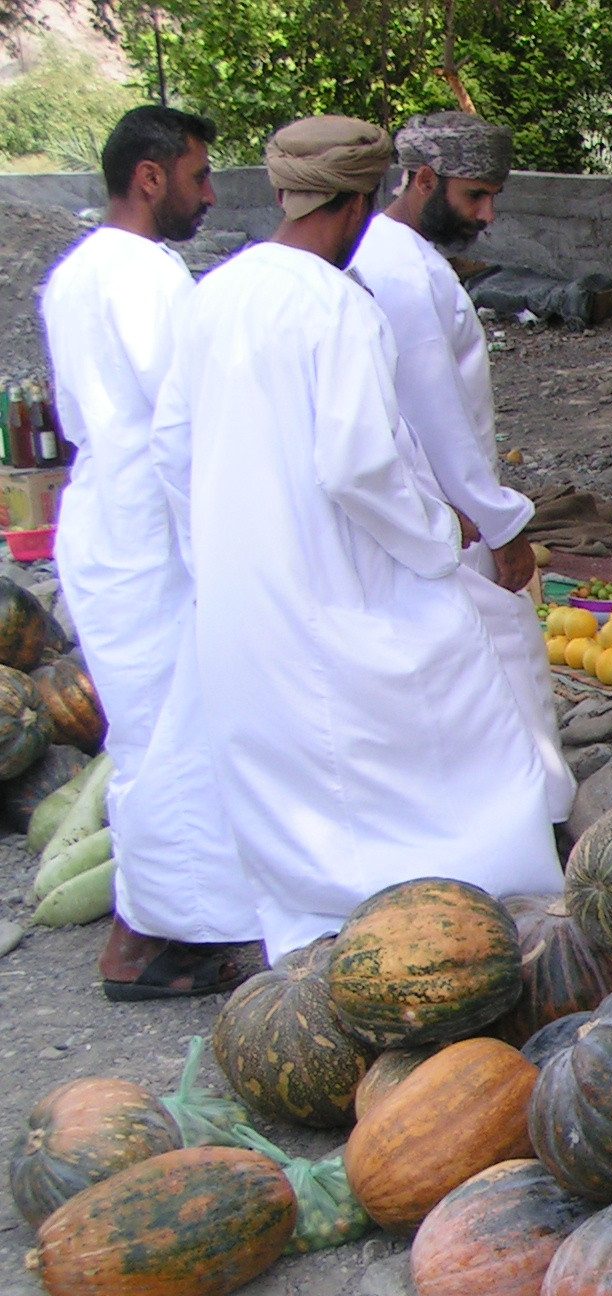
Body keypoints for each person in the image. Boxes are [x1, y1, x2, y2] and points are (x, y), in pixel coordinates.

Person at [150, 116, 562, 963]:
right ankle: (461, 927)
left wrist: (220, 557)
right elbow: (358, 466)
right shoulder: (336, 304)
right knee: (464, 713)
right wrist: (437, 541)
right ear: (364, 199)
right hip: (335, 578)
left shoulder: (214, 293)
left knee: (303, 777)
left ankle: (321, 941)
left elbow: (173, 449)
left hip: (246, 588)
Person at [40, 104, 259, 999]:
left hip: (103, 517)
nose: (209, 195)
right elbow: (182, 427)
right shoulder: (149, 277)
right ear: (150, 175)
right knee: (175, 738)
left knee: (150, 737)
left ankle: (168, 926)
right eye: (200, 175)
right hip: (148, 529)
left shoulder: (76, 270)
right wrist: (222, 543)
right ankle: (144, 943)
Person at [348, 111, 573, 824]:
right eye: (475, 196)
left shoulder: (397, 257)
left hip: (436, 513)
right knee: (506, 661)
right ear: (421, 180)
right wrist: (502, 525)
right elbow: (435, 417)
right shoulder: (398, 270)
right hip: (450, 516)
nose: (488, 215)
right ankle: (534, 829)